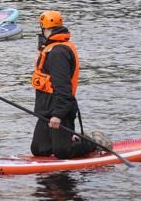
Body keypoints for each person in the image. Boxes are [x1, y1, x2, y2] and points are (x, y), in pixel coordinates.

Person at [30, 11, 111, 159]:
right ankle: (72, 139)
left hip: (61, 110)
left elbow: (63, 87)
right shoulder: (51, 49)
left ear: (45, 29)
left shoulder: (58, 52)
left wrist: (58, 115)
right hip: (46, 109)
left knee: (63, 152)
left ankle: (94, 142)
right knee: (39, 149)